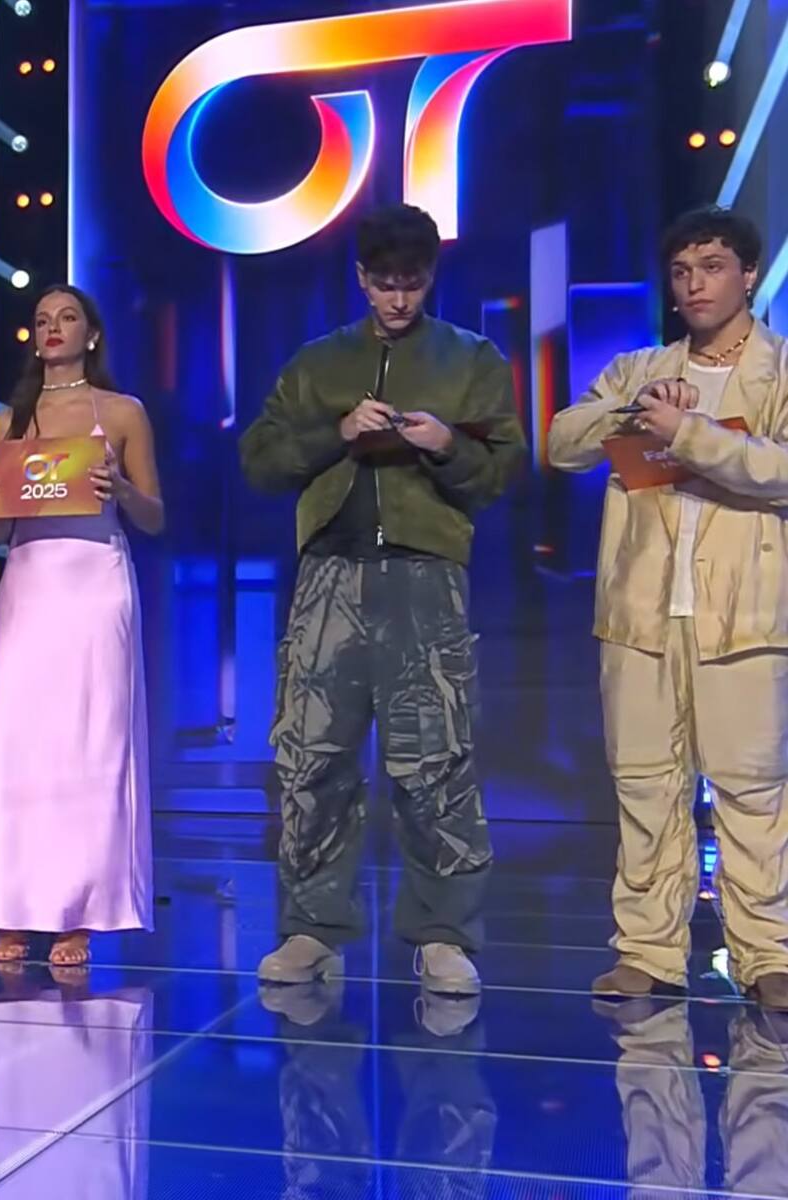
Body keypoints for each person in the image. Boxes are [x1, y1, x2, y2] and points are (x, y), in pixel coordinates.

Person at [240, 205, 526, 993]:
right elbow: (260, 461)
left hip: (425, 575)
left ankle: (443, 934)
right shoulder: (318, 363)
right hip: (328, 576)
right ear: (361, 279)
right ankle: (312, 927)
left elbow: (502, 471)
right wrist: (336, 432)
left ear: (431, 278)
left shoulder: (470, 359)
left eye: (413, 283)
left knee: (436, 760)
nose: (399, 300)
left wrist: (447, 445)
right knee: (313, 757)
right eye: (385, 283)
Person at [548, 206, 788, 1012]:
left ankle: (768, 955)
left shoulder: (781, 371)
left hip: (745, 613)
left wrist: (691, 434)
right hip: (642, 612)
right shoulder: (639, 368)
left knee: (753, 789)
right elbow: (562, 442)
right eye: (683, 271)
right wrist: (635, 411)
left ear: (747, 274)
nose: (695, 285)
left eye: (712, 267)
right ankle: (648, 952)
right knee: (645, 784)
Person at [0, 284, 163, 966]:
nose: (53, 328)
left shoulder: (123, 412)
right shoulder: (8, 421)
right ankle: (16, 908)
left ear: (92, 333)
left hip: (96, 586)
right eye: (43, 320)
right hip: (29, 584)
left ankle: (81, 911)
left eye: (68, 317)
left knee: (91, 744)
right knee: (20, 744)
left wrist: (122, 489)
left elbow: (154, 516)